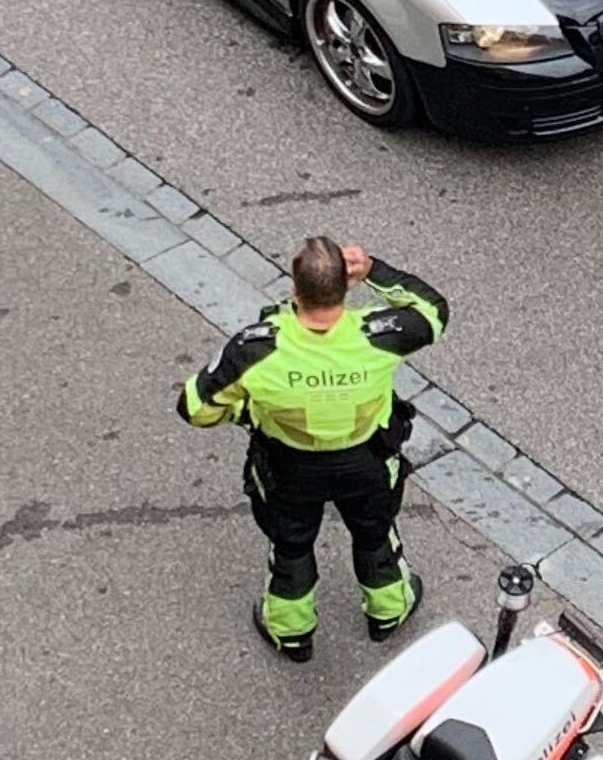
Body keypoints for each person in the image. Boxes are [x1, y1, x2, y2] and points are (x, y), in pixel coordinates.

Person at [182, 236, 448, 661]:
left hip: (288, 466)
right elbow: (434, 311)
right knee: (375, 533)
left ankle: (291, 633)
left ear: (294, 286)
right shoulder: (380, 336)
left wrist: (247, 412)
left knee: (290, 546)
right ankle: (389, 613)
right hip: (368, 461)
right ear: (346, 285)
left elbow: (195, 407)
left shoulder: (257, 348)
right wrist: (374, 269)